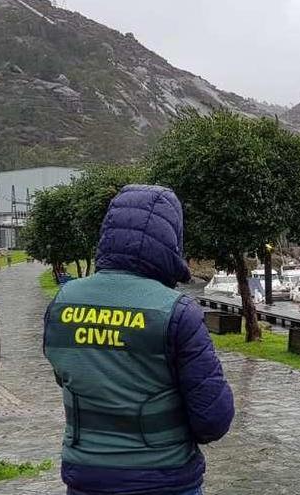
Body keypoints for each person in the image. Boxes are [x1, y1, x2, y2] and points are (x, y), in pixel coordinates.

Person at [43, 185, 234, 495]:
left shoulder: (62, 302)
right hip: (164, 479)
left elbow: (70, 375)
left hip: (86, 479)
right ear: (171, 239)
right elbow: (212, 420)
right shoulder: (177, 312)